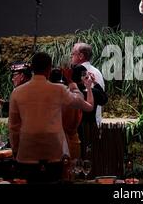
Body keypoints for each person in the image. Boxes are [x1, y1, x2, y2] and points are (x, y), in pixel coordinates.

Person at [8, 52, 94, 182]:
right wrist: (71, 82)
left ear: (32, 68)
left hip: (27, 150)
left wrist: (15, 150)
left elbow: (14, 126)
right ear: (49, 69)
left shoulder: (17, 92)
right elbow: (86, 106)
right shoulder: (58, 90)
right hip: (53, 150)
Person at [72, 65, 108, 160]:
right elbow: (104, 99)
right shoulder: (93, 92)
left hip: (75, 128)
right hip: (90, 126)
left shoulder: (70, 93)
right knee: (92, 155)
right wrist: (95, 83)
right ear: (84, 77)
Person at [71, 43, 105, 126]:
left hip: (86, 122)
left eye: (73, 54)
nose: (71, 57)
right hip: (91, 122)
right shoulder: (96, 72)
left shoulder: (86, 74)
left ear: (81, 56)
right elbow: (103, 98)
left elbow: (99, 98)